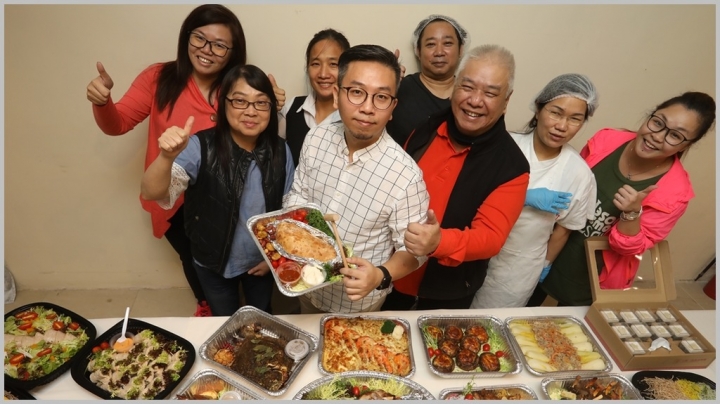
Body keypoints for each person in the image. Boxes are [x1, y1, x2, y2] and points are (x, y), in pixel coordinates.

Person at [86, 5, 286, 316]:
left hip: (222, 194)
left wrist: (271, 106)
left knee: (242, 264)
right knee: (197, 260)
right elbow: (118, 124)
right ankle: (209, 306)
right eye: (199, 38)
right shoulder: (160, 78)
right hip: (171, 189)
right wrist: (103, 103)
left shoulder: (235, 89)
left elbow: (265, 147)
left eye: (219, 44)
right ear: (186, 37)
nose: (208, 50)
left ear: (232, 51)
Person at [530, 91, 716, 306]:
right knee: (519, 314)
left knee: (562, 334)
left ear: (685, 146)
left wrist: (631, 214)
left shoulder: (675, 193)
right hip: (545, 250)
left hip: (590, 278)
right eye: (658, 122)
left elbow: (629, 248)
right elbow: (567, 182)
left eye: (675, 135)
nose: (657, 136)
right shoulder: (607, 140)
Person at [381, 44, 530, 310]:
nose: (475, 100)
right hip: (389, 275)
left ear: (506, 101)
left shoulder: (512, 166)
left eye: (490, 93)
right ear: (455, 86)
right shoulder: (427, 127)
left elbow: (490, 237)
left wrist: (439, 242)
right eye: (468, 86)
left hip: (446, 292)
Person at [283, 44, 430, 314]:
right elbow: (299, 193)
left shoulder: (406, 176)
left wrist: (380, 275)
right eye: (357, 92)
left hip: (358, 304)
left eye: (381, 97)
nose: (367, 108)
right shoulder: (316, 138)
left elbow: (414, 253)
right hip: (308, 287)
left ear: (393, 106)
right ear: (337, 95)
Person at [140, 64, 295, 316]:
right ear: (224, 104)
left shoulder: (280, 150)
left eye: (261, 103)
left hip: (262, 261)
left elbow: (288, 213)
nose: (251, 111)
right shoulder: (200, 146)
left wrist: (274, 257)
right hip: (212, 261)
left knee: (262, 315)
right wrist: (166, 157)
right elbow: (152, 192)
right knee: (224, 319)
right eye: (240, 101)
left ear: (271, 109)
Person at [471, 73, 599, 309]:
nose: (561, 126)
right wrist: (523, 197)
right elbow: (469, 196)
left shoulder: (579, 174)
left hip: (519, 267)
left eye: (575, 119)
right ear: (539, 109)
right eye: (555, 112)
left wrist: (546, 263)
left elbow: (564, 229)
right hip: (475, 249)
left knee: (490, 328)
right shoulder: (504, 146)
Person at [386, 14, 469, 147]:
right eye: (430, 44)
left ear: (461, 49)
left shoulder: (470, 97)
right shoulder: (400, 88)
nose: (439, 52)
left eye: (447, 43)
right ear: (418, 51)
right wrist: (385, 85)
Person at [279, 29, 351, 166]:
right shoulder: (292, 109)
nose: (323, 74)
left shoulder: (354, 117)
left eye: (333, 64)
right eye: (316, 64)